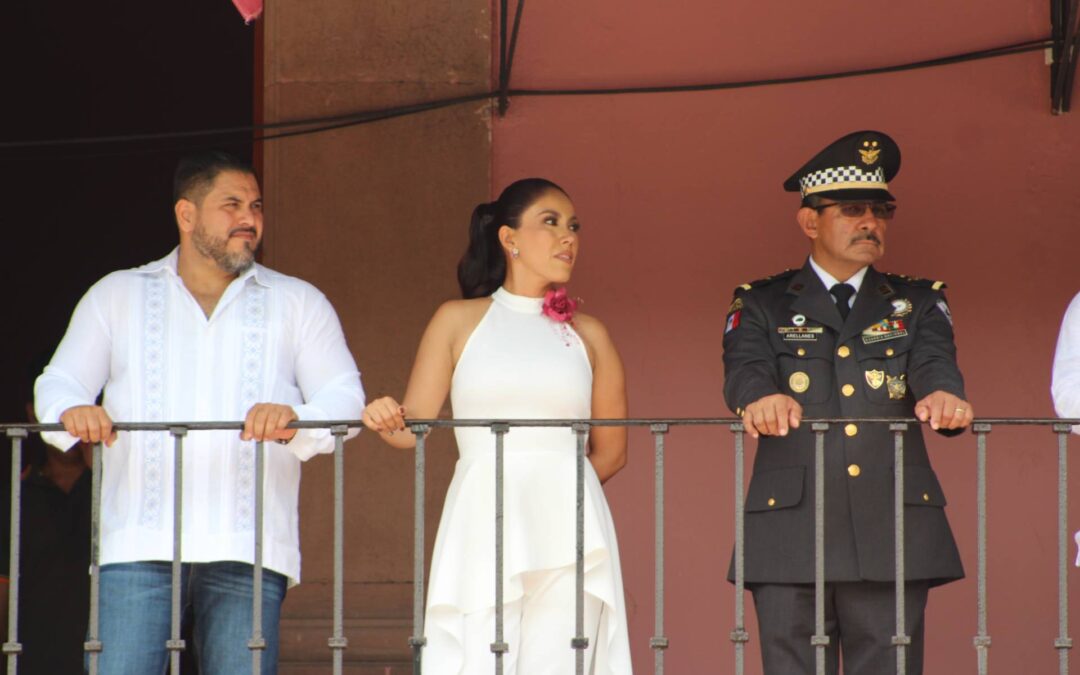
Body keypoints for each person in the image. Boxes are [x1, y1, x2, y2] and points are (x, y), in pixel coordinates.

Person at [34, 150, 364, 675]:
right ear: (186, 215)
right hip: (138, 540)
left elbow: (345, 398)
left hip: (248, 543)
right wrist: (74, 410)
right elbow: (58, 382)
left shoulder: (298, 301)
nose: (249, 219)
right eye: (231, 205)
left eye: (255, 206)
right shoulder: (117, 294)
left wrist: (295, 417)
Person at [722, 131, 974, 675]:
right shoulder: (762, 301)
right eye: (853, 209)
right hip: (790, 528)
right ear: (810, 221)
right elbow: (744, 368)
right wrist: (759, 397)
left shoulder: (919, 301)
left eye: (882, 211)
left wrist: (944, 396)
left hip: (891, 524)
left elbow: (934, 364)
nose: (871, 222)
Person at [362, 178, 633, 674]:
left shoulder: (589, 333)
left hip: (569, 522)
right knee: (480, 658)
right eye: (550, 223)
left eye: (573, 226)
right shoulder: (457, 319)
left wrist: (560, 493)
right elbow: (413, 428)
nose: (568, 237)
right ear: (509, 239)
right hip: (482, 514)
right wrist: (384, 417)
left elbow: (612, 452)